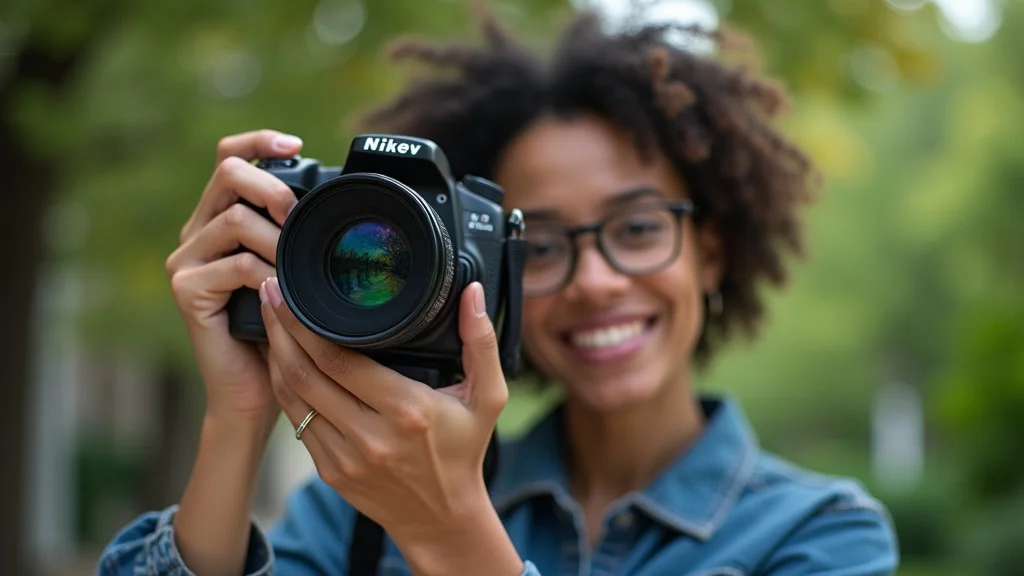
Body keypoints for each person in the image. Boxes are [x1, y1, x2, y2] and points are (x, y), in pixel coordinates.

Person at [98, 7, 899, 576]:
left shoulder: (820, 536)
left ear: (711, 253)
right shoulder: (358, 510)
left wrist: (447, 531)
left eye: (638, 228)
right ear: (487, 268)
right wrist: (237, 418)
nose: (595, 281)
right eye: (543, 244)